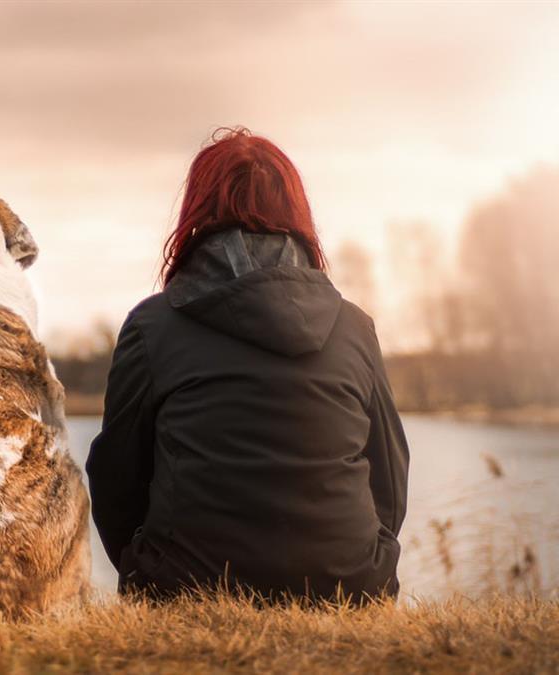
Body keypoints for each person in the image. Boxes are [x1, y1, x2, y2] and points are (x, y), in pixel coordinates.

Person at [85, 127, 409, 604]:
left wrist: (146, 567)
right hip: (349, 588)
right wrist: (363, 561)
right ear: (297, 214)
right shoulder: (354, 328)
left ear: (196, 213)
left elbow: (115, 479)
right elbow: (390, 476)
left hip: (186, 588)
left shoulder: (152, 327)